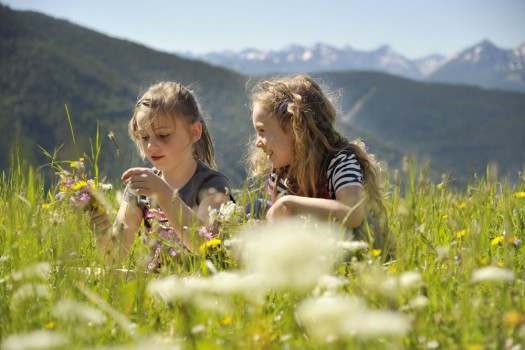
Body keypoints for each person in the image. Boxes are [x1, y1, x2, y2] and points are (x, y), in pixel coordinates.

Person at [247, 74, 394, 259]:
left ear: (294, 127)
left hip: (357, 252)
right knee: (256, 209)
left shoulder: (339, 162)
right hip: (314, 249)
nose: (257, 143)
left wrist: (288, 203)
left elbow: (353, 214)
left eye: (262, 131)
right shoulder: (282, 174)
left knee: (351, 231)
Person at [91, 81, 234, 270]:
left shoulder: (211, 185)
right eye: (144, 137)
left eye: (164, 135)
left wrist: (163, 193)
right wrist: (100, 228)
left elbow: (205, 247)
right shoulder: (141, 187)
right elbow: (115, 255)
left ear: (194, 132)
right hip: (157, 286)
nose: (151, 146)